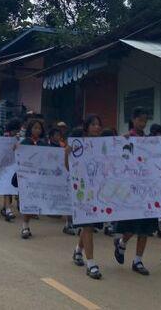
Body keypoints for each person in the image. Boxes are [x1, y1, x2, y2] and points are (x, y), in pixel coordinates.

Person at [113, 107, 157, 276]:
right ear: (133, 120)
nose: (143, 123)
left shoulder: (149, 141)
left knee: (145, 227)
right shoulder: (126, 138)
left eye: (145, 120)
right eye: (140, 120)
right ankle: (122, 243)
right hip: (131, 190)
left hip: (147, 190)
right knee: (131, 226)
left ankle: (138, 260)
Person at [68, 114, 104, 279]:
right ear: (87, 127)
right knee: (88, 226)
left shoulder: (104, 144)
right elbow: (69, 167)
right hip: (83, 192)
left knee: (88, 225)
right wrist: (67, 153)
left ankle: (78, 250)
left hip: (99, 192)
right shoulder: (78, 144)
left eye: (98, 124)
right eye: (93, 124)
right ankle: (91, 264)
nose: (97, 127)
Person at [18, 118, 49, 239]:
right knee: (28, 201)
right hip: (27, 177)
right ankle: (25, 226)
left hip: (39, 177)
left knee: (34, 201)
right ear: (30, 129)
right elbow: (19, 156)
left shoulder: (44, 144)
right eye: (35, 128)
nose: (37, 130)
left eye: (39, 128)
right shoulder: (25, 142)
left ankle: (27, 223)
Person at [1, 117, 22, 222]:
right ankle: (8, 209)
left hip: (16, 165)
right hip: (6, 166)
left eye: (17, 130)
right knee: (7, 187)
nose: (16, 132)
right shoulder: (5, 138)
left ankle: (6, 207)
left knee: (16, 187)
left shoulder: (20, 138)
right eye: (14, 130)